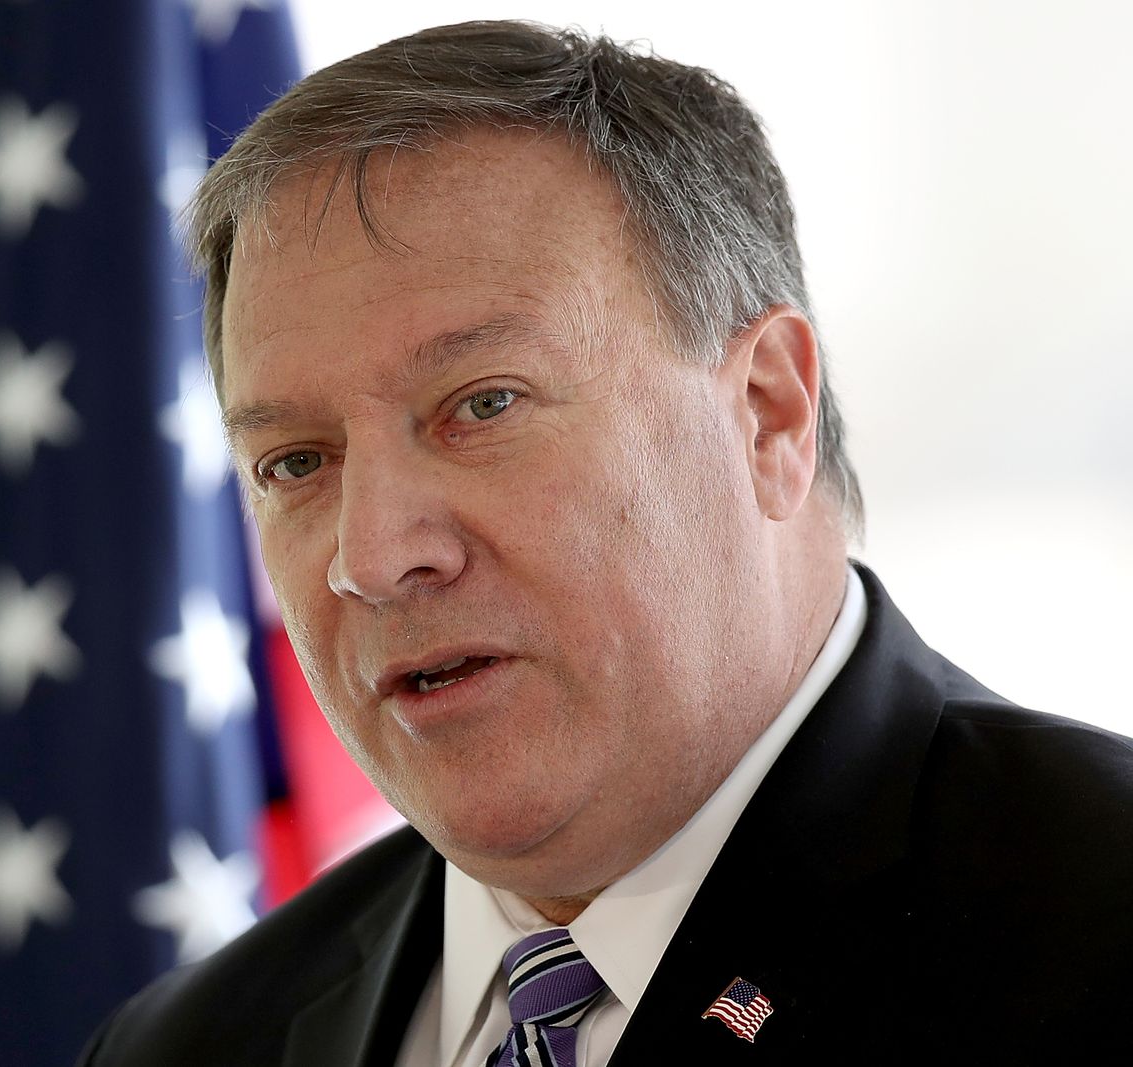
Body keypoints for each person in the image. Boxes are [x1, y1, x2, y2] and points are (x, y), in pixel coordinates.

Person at [78, 20, 1133, 1064]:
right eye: (296, 462)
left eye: (483, 403)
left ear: (768, 413)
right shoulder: (183, 1046)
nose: (375, 554)